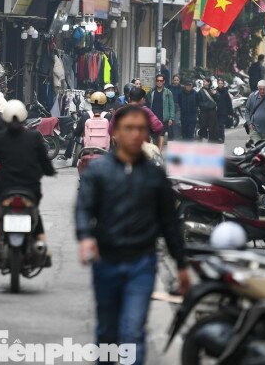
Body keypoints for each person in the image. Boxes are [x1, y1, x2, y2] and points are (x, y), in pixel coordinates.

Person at [76, 105, 189, 365]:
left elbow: (169, 223)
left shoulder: (155, 175)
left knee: (133, 331)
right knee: (107, 331)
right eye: (129, 128)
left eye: (140, 129)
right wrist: (85, 237)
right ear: (115, 133)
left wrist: (182, 264)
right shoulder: (98, 171)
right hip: (106, 262)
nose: (135, 134)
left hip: (142, 263)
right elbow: (83, 208)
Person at [0, 100, 56, 260]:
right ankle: (41, 242)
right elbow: (45, 162)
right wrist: (50, 172)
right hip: (30, 188)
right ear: (24, 117)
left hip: (4, 187)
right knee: (34, 211)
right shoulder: (34, 137)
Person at [146, 74, 175, 149]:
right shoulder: (151, 92)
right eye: (157, 80)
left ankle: (159, 152)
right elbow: (147, 103)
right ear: (155, 81)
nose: (159, 82)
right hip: (153, 117)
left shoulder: (168, 92)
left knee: (161, 135)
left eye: (161, 81)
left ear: (164, 81)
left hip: (164, 117)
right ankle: (156, 150)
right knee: (154, 136)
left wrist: (171, 118)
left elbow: (171, 105)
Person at [197, 78, 219, 142]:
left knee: (212, 125)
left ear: (209, 82)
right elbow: (198, 101)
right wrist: (203, 106)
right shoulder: (200, 91)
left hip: (212, 110)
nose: (203, 83)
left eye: (205, 81)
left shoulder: (213, 90)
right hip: (203, 110)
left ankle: (211, 139)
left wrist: (215, 94)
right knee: (203, 124)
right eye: (203, 81)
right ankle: (202, 136)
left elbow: (218, 99)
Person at [215, 78, 234, 143]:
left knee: (221, 125)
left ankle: (221, 138)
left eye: (221, 83)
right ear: (217, 83)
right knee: (216, 126)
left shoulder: (225, 92)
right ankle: (217, 138)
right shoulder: (215, 91)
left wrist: (230, 113)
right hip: (216, 112)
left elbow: (229, 103)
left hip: (223, 112)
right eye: (219, 83)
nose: (220, 84)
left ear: (223, 84)